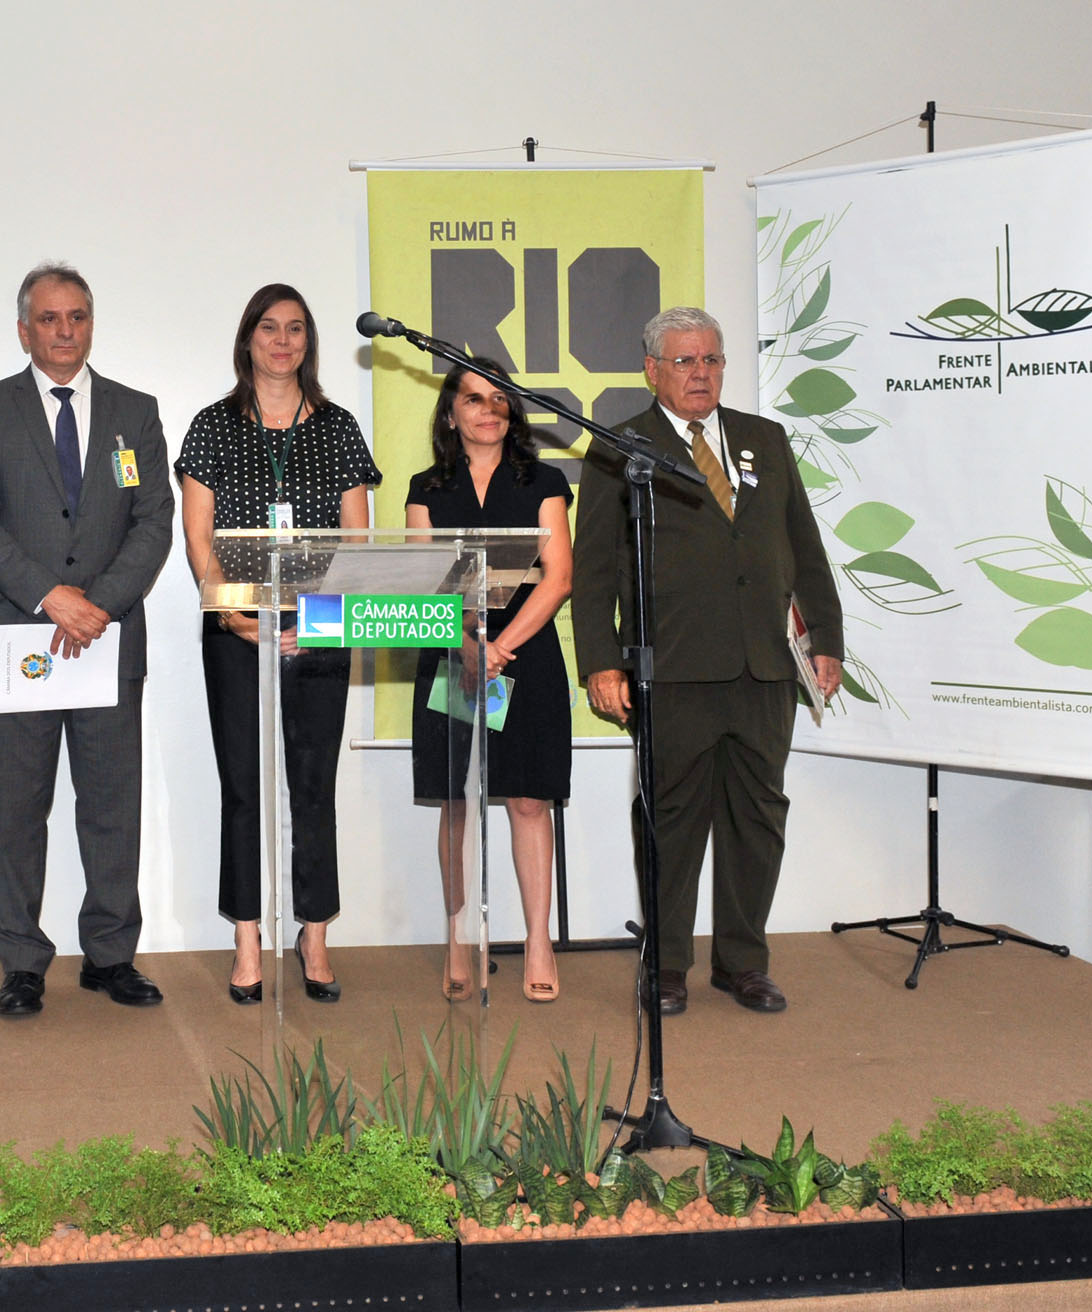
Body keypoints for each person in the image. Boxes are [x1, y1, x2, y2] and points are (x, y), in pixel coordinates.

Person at [571, 305, 843, 1016]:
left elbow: (803, 551)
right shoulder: (618, 446)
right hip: (672, 669)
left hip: (762, 669)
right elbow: (593, 566)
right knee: (669, 823)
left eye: (712, 359)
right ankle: (663, 967)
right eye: (685, 361)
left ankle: (742, 963)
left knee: (757, 820)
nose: (701, 373)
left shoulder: (764, 439)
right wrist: (601, 660)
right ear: (651, 370)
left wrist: (825, 641)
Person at [0, 263, 174, 1018]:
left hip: (106, 639)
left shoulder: (133, 412)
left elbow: (153, 521)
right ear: (24, 330)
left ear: (90, 325)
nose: (64, 330)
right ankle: (21, 959)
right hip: (21, 639)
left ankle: (110, 955)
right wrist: (51, 599)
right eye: (48, 319)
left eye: (76, 316)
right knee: (19, 808)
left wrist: (98, 606)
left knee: (111, 804)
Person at [175, 285, 381, 1005]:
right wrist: (235, 613)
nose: (282, 340)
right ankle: (246, 936)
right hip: (233, 631)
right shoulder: (210, 426)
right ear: (247, 339)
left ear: (308, 343)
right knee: (242, 788)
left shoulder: (338, 428)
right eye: (269, 328)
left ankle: (313, 933)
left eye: (296, 329)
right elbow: (198, 537)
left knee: (311, 785)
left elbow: (357, 542)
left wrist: (315, 618)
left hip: (321, 627)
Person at [407, 359, 574, 1003]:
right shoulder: (427, 487)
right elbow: (427, 578)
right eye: (472, 400)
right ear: (451, 413)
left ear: (513, 413)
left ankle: (537, 940)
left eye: (498, 401)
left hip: (523, 650)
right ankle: (457, 935)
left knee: (529, 800)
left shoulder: (544, 479)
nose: (486, 411)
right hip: (450, 650)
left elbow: (557, 577)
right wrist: (466, 643)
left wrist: (498, 647)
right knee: (455, 801)